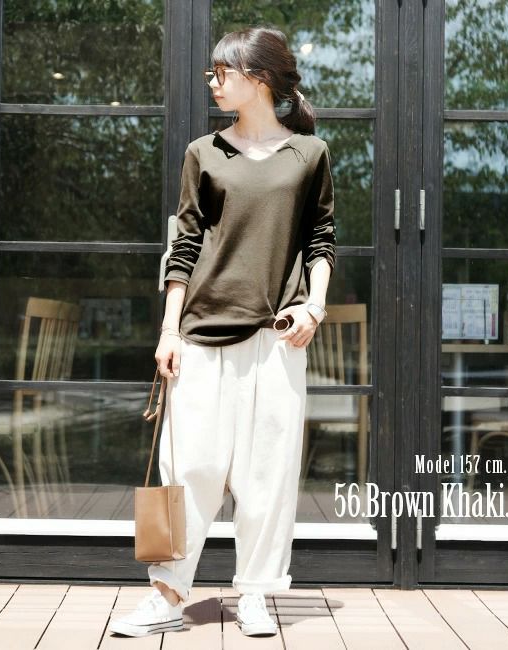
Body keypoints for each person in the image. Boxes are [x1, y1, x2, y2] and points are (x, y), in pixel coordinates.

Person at [110, 25, 336, 639]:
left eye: (222, 72)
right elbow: (183, 246)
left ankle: (256, 594)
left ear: (257, 78)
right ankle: (165, 596)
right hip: (201, 333)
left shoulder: (309, 155)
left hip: (276, 337)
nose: (212, 82)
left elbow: (321, 240)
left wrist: (314, 307)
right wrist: (169, 330)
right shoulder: (203, 153)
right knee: (188, 469)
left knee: (267, 475)